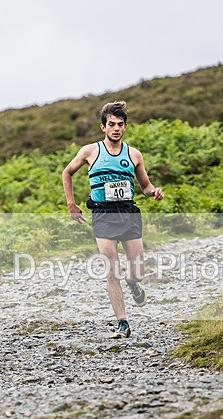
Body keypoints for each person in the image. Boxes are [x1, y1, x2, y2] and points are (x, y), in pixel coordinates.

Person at [62, 101, 164, 339]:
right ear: (103, 127)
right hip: (103, 215)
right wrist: (71, 204)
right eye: (111, 124)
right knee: (111, 270)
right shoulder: (90, 152)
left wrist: (155, 192)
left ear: (125, 127)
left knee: (137, 270)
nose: (116, 128)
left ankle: (134, 283)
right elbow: (67, 172)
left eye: (120, 124)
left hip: (128, 213)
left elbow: (146, 187)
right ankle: (122, 322)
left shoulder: (134, 154)